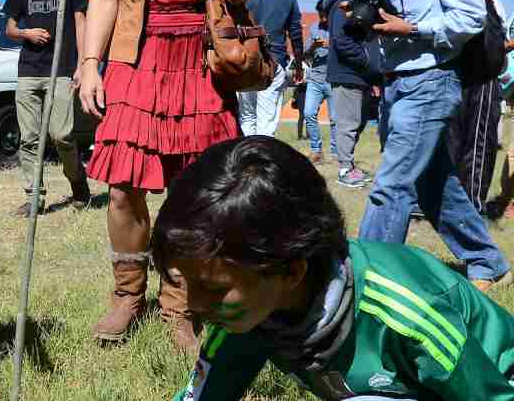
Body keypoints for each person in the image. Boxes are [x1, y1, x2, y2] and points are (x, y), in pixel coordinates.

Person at [153, 135, 514, 401]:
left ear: (292, 271)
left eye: (214, 289)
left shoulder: (406, 314)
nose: (195, 305)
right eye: (187, 284)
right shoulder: (243, 311)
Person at [77, 0, 243, 353]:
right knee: (123, 187)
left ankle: (179, 302)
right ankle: (128, 294)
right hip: (135, 57)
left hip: (198, 63)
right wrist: (89, 64)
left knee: (193, 192)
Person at [339, 0, 510, 291]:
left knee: (391, 182)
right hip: (395, 83)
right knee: (434, 186)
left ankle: (367, 280)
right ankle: (486, 259)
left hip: (432, 80)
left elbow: (470, 15)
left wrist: (412, 27)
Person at [3, 0, 91, 216]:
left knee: (61, 135)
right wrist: (27, 34)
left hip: (62, 69)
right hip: (29, 71)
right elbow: (10, 28)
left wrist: (82, 65)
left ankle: (78, 184)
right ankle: (35, 198)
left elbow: (81, 24)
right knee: (29, 138)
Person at [445, 0, 511, 214]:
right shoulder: (489, 0)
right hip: (482, 80)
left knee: (454, 140)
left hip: (457, 78)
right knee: (479, 145)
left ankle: (447, 202)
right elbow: (489, 45)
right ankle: (470, 204)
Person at [325, 0, 381, 188]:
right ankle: (345, 170)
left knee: (356, 123)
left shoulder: (358, 5)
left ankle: (349, 166)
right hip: (347, 73)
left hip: (360, 75)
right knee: (348, 124)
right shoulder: (342, 5)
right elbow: (342, 41)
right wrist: (367, 60)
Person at [237, 0, 304, 137]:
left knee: (247, 116)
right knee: (267, 120)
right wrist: (298, 65)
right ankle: (261, 161)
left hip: (245, 61)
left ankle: (246, 160)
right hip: (274, 62)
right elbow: (296, 35)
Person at [300, 0, 336, 164]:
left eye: (325, 16)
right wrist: (313, 47)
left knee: (335, 119)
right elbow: (305, 55)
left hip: (334, 80)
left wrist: (331, 45)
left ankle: (336, 152)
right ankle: (316, 150)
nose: (322, 19)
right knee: (308, 113)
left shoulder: (340, 29)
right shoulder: (314, 28)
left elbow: (348, 50)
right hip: (315, 79)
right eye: (320, 15)